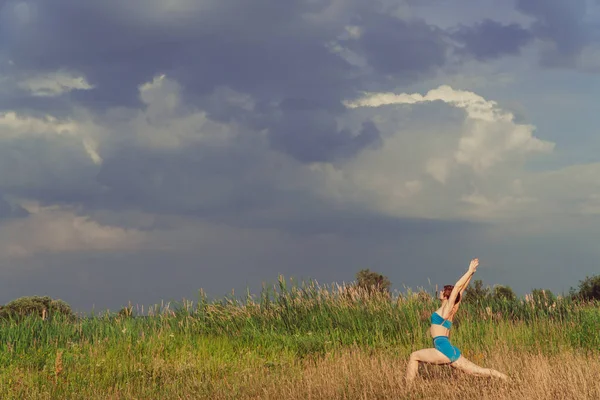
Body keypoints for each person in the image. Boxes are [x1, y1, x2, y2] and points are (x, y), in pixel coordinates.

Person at [405, 258, 508, 384]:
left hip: (443, 349)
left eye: (443, 291)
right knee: (477, 372)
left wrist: (469, 270)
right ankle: (505, 378)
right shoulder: (451, 310)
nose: (441, 292)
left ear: (446, 296)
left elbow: (457, 288)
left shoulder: (446, 309)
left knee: (414, 356)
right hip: (449, 349)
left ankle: (407, 389)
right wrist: (471, 273)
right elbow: (461, 289)